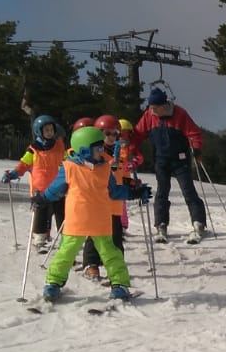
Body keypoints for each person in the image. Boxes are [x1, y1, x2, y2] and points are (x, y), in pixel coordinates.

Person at [33, 125, 151, 303]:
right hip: (77, 220)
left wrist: (134, 193)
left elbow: (114, 192)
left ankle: (119, 284)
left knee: (111, 253)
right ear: (84, 150)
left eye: (102, 147)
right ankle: (53, 283)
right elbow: (55, 190)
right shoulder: (69, 167)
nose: (101, 151)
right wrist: (42, 199)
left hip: (100, 220)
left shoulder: (104, 168)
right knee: (66, 253)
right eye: (98, 148)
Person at [138, 88, 209, 243]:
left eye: (155, 108)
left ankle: (199, 223)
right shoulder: (149, 116)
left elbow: (194, 133)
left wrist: (196, 149)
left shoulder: (179, 113)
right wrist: (130, 149)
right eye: (150, 107)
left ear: (163, 105)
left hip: (180, 159)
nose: (152, 110)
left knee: (188, 191)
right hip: (161, 160)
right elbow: (138, 134)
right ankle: (161, 225)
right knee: (162, 192)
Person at [76, 114, 130, 282]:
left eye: (115, 134)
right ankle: (91, 264)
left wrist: (132, 184)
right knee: (95, 234)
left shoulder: (121, 154)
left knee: (115, 237)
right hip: (99, 201)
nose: (111, 137)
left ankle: (116, 267)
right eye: (107, 133)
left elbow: (124, 174)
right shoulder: (95, 153)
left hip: (115, 204)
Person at [2, 115, 66, 251]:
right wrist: (13, 173)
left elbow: (66, 159)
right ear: (39, 132)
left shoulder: (59, 146)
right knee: (41, 215)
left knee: (62, 214)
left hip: (58, 187)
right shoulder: (33, 149)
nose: (50, 132)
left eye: (51, 130)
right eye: (46, 130)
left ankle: (65, 240)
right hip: (40, 189)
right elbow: (24, 164)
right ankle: (39, 239)